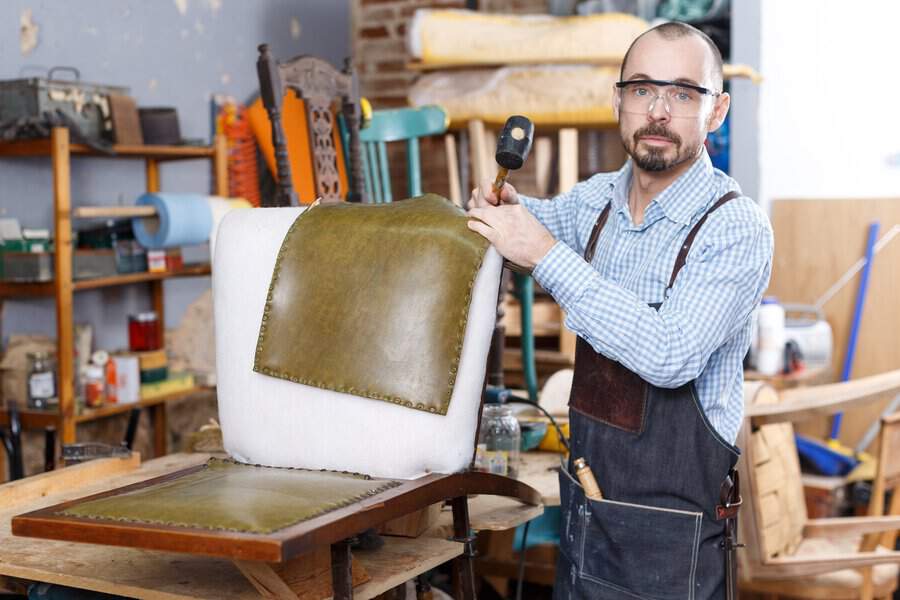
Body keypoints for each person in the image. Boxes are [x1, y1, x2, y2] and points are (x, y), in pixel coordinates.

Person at [467, 21, 773, 600]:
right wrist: (505, 209)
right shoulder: (595, 201)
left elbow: (670, 354)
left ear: (717, 111)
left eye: (684, 93)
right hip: (588, 518)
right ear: (619, 101)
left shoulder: (733, 227)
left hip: (670, 545)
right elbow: (534, 225)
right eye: (642, 89)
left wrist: (544, 254)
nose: (659, 110)